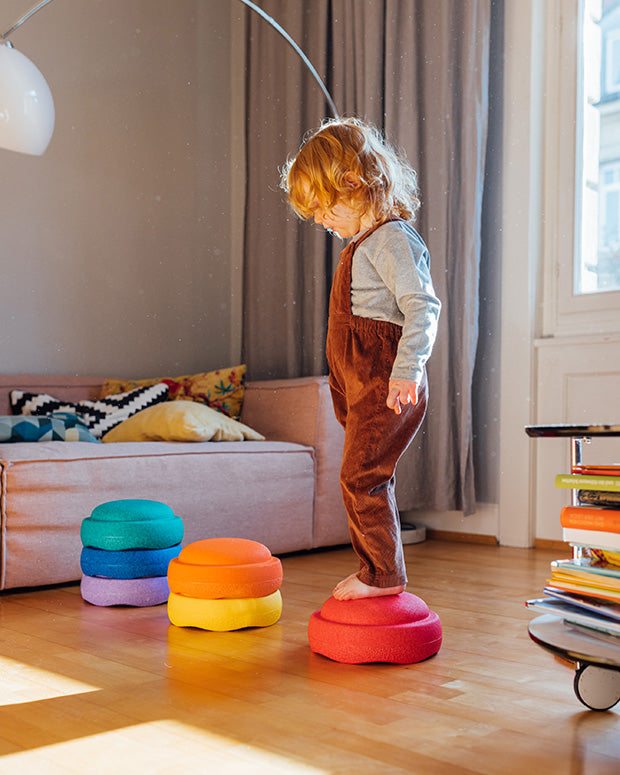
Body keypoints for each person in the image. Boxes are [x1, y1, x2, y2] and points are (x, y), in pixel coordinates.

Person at [281, 117, 441, 600]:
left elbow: (422, 306)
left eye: (323, 208)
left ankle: (381, 576)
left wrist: (407, 370)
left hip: (384, 379)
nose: (319, 221)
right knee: (363, 476)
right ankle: (378, 570)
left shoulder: (392, 238)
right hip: (357, 380)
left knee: (361, 477)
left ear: (354, 184)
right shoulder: (363, 243)